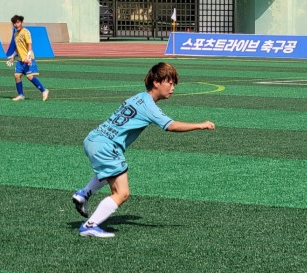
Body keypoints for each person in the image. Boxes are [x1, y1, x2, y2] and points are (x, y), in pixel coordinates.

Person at [72, 62, 215, 238]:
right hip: (107, 146)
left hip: (93, 139)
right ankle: (89, 226)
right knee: (122, 193)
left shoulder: (137, 97)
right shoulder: (149, 106)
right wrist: (200, 125)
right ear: (157, 82)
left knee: (110, 172)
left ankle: (83, 194)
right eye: (170, 83)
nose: (172, 88)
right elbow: (170, 126)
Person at [6, 14, 49, 102]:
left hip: (28, 59)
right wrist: (13, 56)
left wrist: (28, 56)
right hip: (21, 60)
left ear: (21, 22)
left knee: (29, 76)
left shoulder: (26, 32)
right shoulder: (15, 34)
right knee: (17, 75)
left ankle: (44, 90)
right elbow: (18, 48)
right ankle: (21, 95)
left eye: (18, 22)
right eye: (14, 23)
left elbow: (29, 44)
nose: (16, 24)